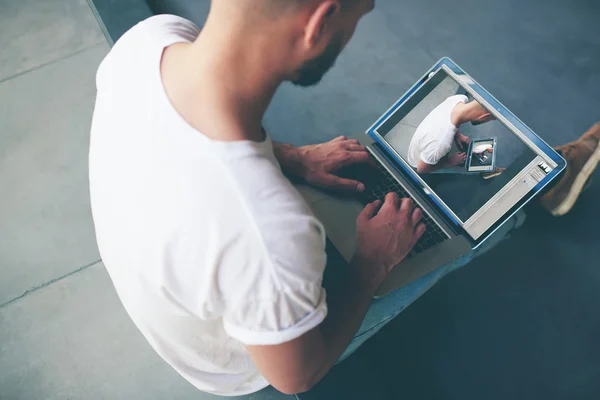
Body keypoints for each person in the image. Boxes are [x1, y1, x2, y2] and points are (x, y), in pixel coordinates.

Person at [88, 0, 600, 396]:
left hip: (182, 298)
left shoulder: (148, 43)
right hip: (239, 365)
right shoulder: (265, 230)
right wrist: (371, 264)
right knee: (476, 228)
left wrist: (287, 157)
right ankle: (542, 190)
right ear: (320, 22)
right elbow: (297, 375)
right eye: (360, 12)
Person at [407, 95, 504, 179]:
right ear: (484, 116)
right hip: (420, 162)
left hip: (431, 146)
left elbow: (444, 117)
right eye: (492, 119)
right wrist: (450, 162)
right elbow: (421, 169)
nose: (491, 121)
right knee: (461, 166)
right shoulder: (440, 143)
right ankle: (485, 172)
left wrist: (458, 135)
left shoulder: (458, 99)